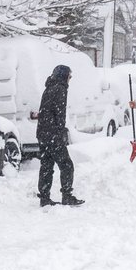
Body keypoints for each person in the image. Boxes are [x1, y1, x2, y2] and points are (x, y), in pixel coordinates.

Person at [36, 64, 82, 206]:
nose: (70, 78)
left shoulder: (49, 88)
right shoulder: (60, 89)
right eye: (69, 75)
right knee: (66, 165)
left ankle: (44, 197)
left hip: (43, 133)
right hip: (53, 134)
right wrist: (61, 133)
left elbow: (45, 112)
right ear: (63, 75)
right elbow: (59, 114)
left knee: (46, 165)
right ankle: (67, 195)